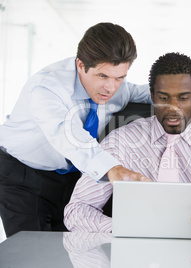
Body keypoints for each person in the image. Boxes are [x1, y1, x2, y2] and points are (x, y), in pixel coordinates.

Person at [64, 52, 191, 234]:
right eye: (163, 98)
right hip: (134, 253)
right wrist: (124, 229)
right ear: (152, 96)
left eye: (183, 98)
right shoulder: (121, 142)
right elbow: (77, 210)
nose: (173, 108)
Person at [0, 22, 152, 237]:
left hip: (73, 178)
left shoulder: (118, 88)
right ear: (80, 65)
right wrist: (113, 169)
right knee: (32, 254)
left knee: (73, 252)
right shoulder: (46, 88)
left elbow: (150, 93)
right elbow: (68, 134)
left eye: (120, 77)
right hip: (25, 175)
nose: (111, 87)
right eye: (102, 76)